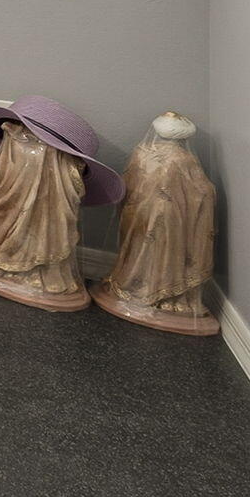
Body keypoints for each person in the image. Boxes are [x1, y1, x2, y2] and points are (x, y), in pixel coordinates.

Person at [0, 96, 123, 313]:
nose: (4, 153)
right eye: (22, 139)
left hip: (47, 256)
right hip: (0, 247)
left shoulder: (51, 162)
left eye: (28, 140)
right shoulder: (12, 142)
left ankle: (37, 271)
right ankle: (8, 264)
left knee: (44, 219)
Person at [94, 112, 219, 336]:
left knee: (140, 250)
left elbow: (127, 183)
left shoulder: (141, 152)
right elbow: (201, 191)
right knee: (166, 253)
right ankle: (165, 293)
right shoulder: (184, 159)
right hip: (171, 218)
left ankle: (135, 285)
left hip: (139, 214)